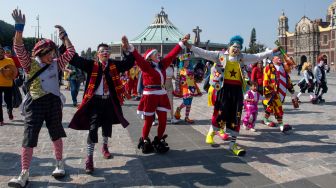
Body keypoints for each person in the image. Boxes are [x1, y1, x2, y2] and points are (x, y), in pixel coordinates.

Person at [8, 9, 75, 188]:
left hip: (53, 102)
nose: (52, 56)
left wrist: (64, 36)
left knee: (56, 134)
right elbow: (18, 48)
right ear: (40, 52)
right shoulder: (29, 64)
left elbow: (70, 52)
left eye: (53, 53)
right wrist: (19, 29)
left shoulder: (56, 64)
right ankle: (24, 172)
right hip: (34, 102)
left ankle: (59, 163)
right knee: (29, 137)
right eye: (49, 53)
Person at [185, 35, 278, 156]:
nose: (236, 49)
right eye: (234, 46)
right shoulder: (219, 55)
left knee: (236, 115)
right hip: (224, 89)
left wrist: (271, 51)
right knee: (220, 112)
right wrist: (189, 46)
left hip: (237, 90)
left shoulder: (242, 57)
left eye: (239, 47)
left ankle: (232, 143)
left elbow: (257, 56)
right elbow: (204, 52)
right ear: (229, 46)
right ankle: (211, 132)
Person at [67, 37, 135, 174]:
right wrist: (65, 38)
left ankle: (104, 147)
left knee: (107, 126)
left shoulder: (113, 65)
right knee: (93, 130)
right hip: (94, 102)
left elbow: (129, 63)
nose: (105, 53)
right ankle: (89, 158)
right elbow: (74, 59)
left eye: (107, 51)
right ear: (97, 54)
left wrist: (127, 48)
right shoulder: (91, 65)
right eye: (102, 51)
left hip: (109, 101)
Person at [127, 34, 190, 154]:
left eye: (158, 54)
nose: (159, 56)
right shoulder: (146, 66)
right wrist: (131, 48)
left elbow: (171, 55)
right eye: (156, 55)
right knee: (149, 121)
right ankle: (145, 139)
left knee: (163, 120)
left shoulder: (161, 65)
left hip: (161, 94)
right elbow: (139, 59)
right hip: (150, 96)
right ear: (150, 58)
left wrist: (181, 43)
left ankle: (159, 139)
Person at [262, 56, 295, 132]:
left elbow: (288, 79)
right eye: (277, 58)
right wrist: (268, 93)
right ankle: (281, 126)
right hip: (273, 92)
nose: (279, 59)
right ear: (272, 59)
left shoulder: (283, 67)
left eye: (280, 58)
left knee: (270, 108)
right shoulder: (268, 68)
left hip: (282, 92)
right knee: (279, 108)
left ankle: (265, 119)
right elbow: (265, 80)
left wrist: (292, 90)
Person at [174, 53, 202, 124]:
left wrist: (198, 76)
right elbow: (177, 80)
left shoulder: (191, 69)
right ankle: (178, 109)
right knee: (186, 102)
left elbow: (193, 79)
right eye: (185, 61)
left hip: (192, 87)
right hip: (184, 88)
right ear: (182, 62)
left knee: (189, 103)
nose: (187, 62)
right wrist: (178, 89)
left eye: (188, 61)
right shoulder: (180, 70)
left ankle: (186, 117)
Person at [0, 46, 17, 125]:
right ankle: (1, 119)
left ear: (4, 53)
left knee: (8, 101)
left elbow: (14, 71)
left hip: (8, 84)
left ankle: (9, 111)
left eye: (2, 52)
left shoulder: (9, 60)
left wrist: (7, 70)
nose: (0, 54)